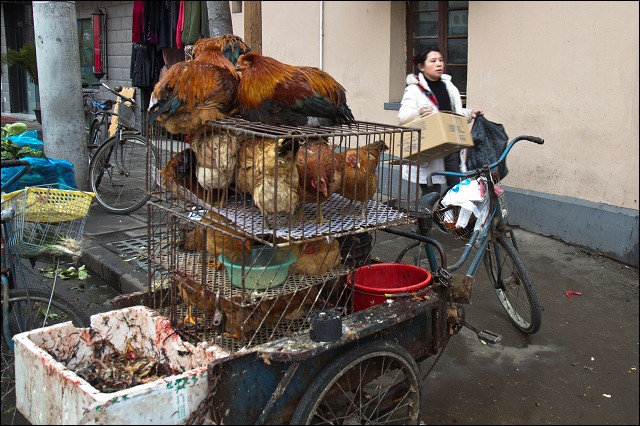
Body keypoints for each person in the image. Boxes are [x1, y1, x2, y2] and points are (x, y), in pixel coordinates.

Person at [398, 47, 482, 195]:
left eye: (441, 60)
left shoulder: (448, 85)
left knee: (457, 187)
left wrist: (470, 114)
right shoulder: (414, 90)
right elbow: (403, 116)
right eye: (433, 61)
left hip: (451, 145)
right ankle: (430, 218)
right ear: (421, 67)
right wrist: (419, 112)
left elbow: (452, 113)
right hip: (430, 149)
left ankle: (451, 216)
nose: (439, 64)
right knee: (432, 194)